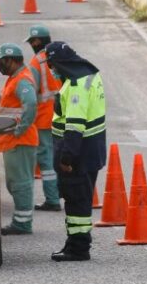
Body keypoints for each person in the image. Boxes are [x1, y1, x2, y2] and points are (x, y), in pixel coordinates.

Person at [45, 41, 107, 262]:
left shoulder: (76, 85)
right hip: (92, 149)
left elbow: (74, 124)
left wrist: (66, 158)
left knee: (76, 200)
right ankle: (75, 243)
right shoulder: (90, 74)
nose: (50, 69)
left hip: (78, 154)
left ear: (59, 63)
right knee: (81, 199)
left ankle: (78, 248)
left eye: (51, 65)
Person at [0, 43, 39, 236]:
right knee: (15, 183)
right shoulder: (15, 79)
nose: (0, 65)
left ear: (11, 60)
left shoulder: (22, 80)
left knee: (20, 183)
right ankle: (22, 220)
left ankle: (22, 223)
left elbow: (30, 104)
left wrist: (20, 130)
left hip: (20, 140)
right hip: (13, 140)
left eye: (2, 61)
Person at [24, 25, 63, 212]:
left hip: (44, 117)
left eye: (32, 41)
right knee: (63, 156)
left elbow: (31, 91)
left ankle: (53, 199)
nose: (31, 44)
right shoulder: (60, 55)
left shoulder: (36, 62)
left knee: (47, 161)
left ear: (36, 41)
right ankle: (65, 193)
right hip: (64, 115)